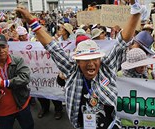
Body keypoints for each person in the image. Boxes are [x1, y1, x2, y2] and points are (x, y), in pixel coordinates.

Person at [16, 0, 144, 128]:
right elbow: (52, 47)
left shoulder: (107, 67)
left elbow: (122, 42)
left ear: (100, 59)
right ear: (77, 62)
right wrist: (31, 20)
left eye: (94, 59)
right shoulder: (71, 70)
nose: (91, 64)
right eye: (85, 59)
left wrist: (135, 11)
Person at [0, 33, 34, 129]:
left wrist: (2, 83)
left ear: (8, 47)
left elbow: (25, 78)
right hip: (2, 111)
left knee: (28, 126)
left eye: (3, 47)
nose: (1, 51)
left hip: (22, 104)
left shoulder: (17, 60)